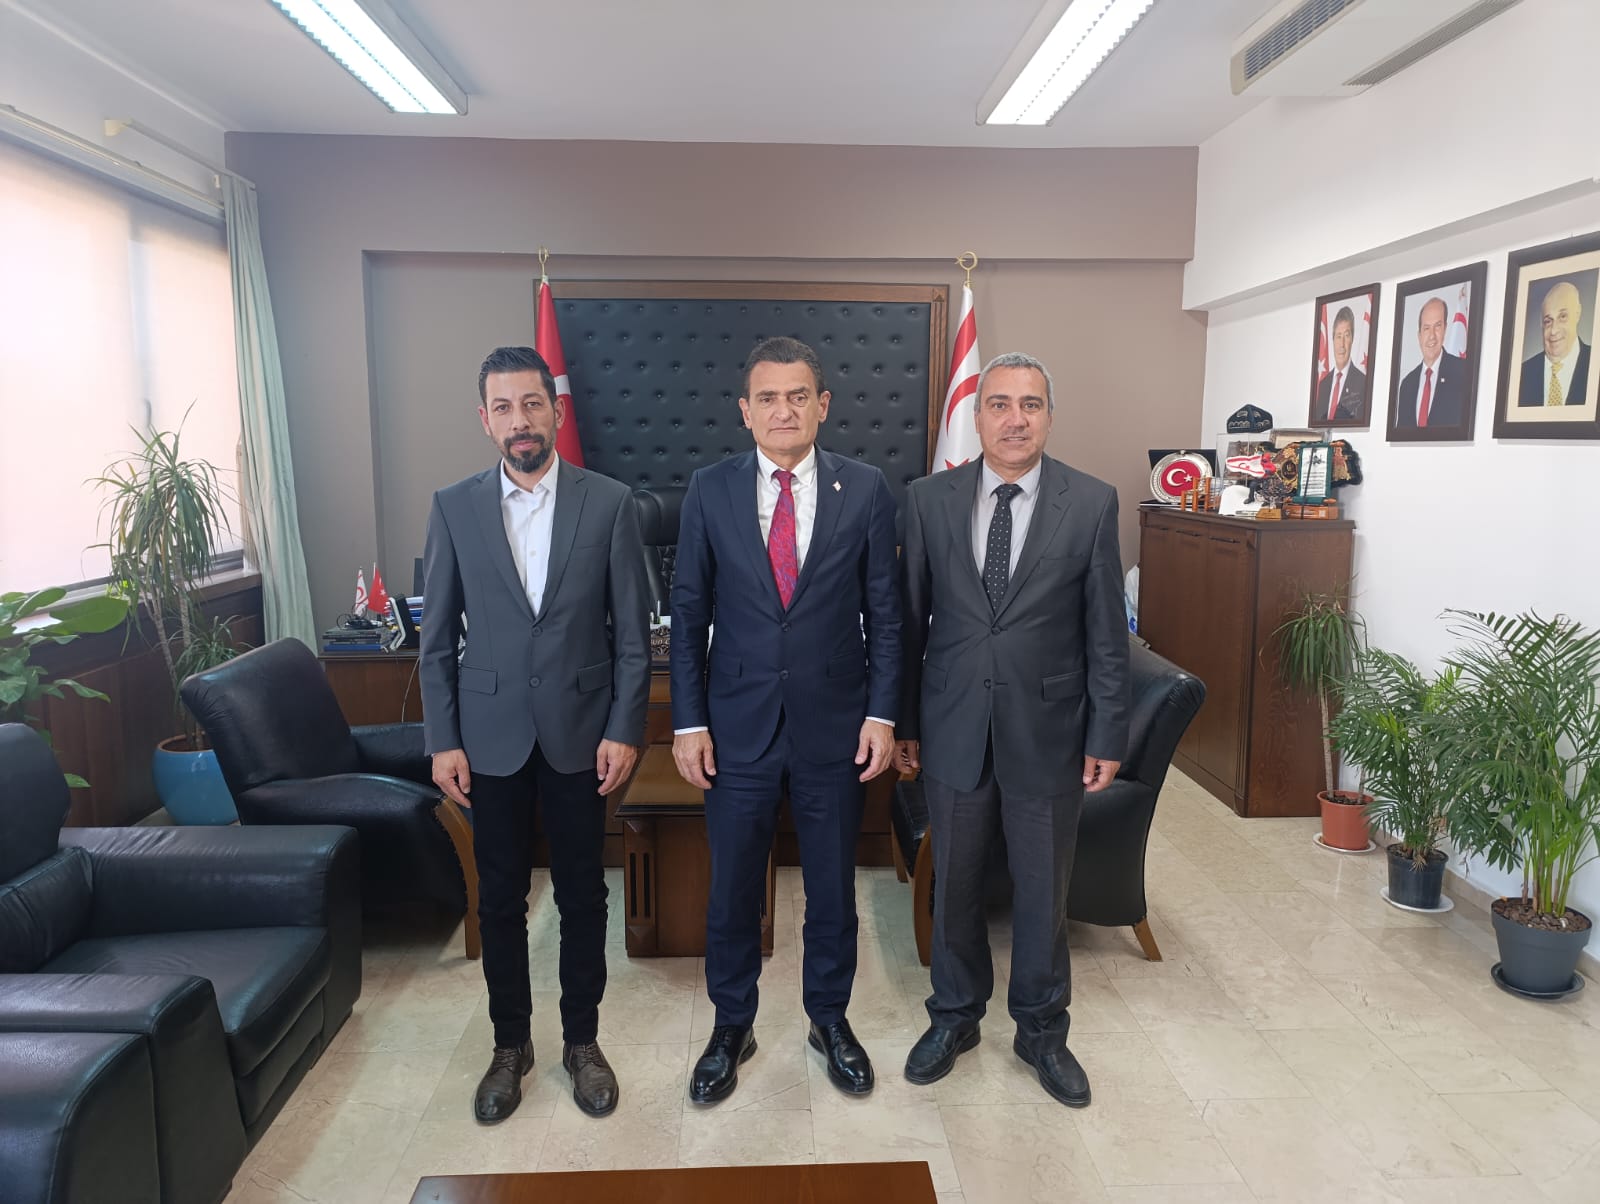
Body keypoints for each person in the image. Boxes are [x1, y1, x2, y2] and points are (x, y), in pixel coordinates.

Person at [420, 345, 650, 1123]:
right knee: (499, 901)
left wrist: (624, 728)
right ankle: (509, 1045)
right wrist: (443, 739)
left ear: (554, 411)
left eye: (532, 404)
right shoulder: (453, 507)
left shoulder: (609, 502)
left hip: (582, 735)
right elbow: (435, 639)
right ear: (485, 421)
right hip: (488, 740)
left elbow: (632, 636)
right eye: (504, 407)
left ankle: (582, 1041)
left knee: (584, 894)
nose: (520, 420)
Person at [669, 336, 901, 1104]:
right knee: (732, 889)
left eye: (798, 395)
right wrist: (688, 723)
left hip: (836, 725)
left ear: (821, 405)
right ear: (745, 410)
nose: (783, 410)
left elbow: (887, 616)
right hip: (735, 728)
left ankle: (829, 1020)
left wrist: (882, 714)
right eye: (767, 397)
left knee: (832, 890)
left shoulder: (864, 489)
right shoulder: (709, 489)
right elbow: (688, 613)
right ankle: (731, 1024)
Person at [896, 351, 1129, 1109]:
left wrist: (1107, 733)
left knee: (1042, 894)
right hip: (953, 726)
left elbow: (1106, 634)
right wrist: (904, 722)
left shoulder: (1090, 502)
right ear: (977, 415)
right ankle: (954, 1017)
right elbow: (908, 623)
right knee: (955, 887)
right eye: (999, 404)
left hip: (1051, 732)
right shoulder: (927, 500)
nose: (1015, 419)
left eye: (1030, 405)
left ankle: (1042, 1032)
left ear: (1050, 417)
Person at [1395, 297, 1472, 429]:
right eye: (1426, 328)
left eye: (1437, 326)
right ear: (1419, 336)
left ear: (1445, 329)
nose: (1432, 336)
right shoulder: (1407, 384)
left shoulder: (1463, 372)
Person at [1518, 279, 1592, 407]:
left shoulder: (1594, 363)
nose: (1553, 330)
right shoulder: (1522, 373)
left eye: (1562, 317)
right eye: (1548, 321)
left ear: (1577, 314)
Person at [1314, 305, 1367, 423]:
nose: (1342, 344)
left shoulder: (1362, 382)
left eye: (1346, 336)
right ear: (1333, 340)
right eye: (1338, 336)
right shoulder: (1323, 384)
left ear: (1352, 339)